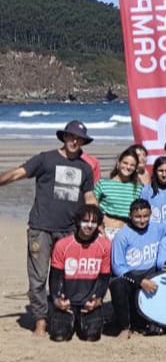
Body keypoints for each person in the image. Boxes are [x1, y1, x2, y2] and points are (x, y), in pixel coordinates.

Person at [0, 120, 98, 335]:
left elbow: (89, 197)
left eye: (79, 138)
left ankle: (60, 313)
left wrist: (98, 221)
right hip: (41, 228)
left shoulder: (84, 168)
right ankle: (40, 319)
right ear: (64, 137)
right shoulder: (46, 159)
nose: (75, 141)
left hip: (70, 231)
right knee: (38, 277)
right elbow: (18, 173)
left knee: (64, 276)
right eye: (71, 136)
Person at [47, 205, 111, 343]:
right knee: (59, 336)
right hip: (67, 302)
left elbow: (104, 278)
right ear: (77, 222)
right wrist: (57, 299)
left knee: (91, 336)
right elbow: (55, 276)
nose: (89, 225)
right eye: (85, 221)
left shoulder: (105, 245)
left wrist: (98, 299)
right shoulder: (63, 245)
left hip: (89, 303)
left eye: (93, 222)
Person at [109, 198, 164, 338]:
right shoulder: (122, 236)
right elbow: (117, 268)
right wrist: (139, 281)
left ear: (151, 214)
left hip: (153, 273)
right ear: (130, 216)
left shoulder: (158, 228)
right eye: (138, 217)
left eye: (146, 216)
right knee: (117, 283)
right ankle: (124, 326)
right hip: (131, 276)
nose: (142, 220)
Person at [94, 147, 142, 237]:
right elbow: (92, 207)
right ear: (118, 164)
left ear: (135, 168)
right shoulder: (103, 184)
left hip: (128, 232)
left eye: (132, 165)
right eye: (125, 163)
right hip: (105, 232)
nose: (128, 167)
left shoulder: (139, 188)